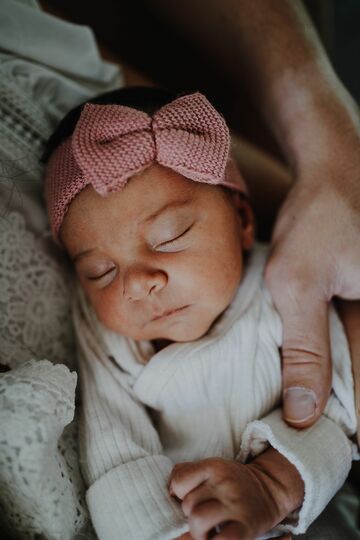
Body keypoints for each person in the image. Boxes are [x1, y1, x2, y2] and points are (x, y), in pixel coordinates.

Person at [43, 86, 358, 540]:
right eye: (100, 271)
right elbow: (115, 450)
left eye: (169, 236)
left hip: (312, 506)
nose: (133, 283)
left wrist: (270, 486)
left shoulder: (287, 283)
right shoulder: (108, 335)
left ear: (244, 221)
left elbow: (342, 407)